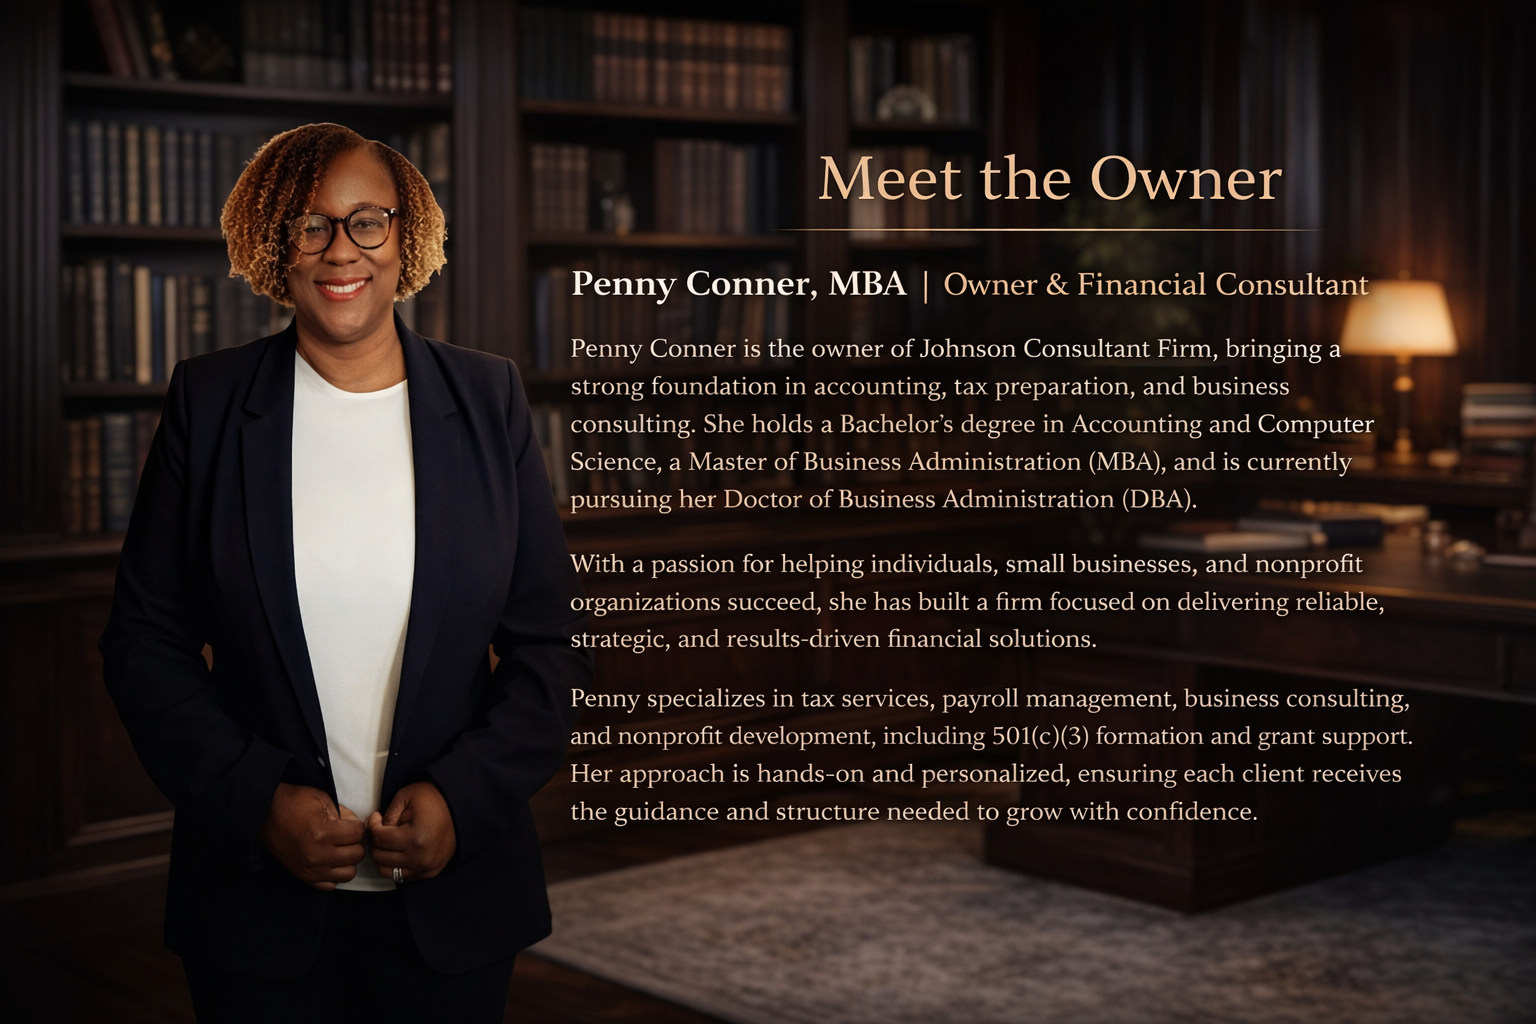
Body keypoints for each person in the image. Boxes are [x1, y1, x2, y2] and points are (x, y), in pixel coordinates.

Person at [99, 122, 590, 1022]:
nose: (339, 250)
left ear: (408, 238)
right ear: (269, 241)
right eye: (308, 224)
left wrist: (458, 797)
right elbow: (144, 644)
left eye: (368, 222)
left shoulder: (488, 399)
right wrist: (259, 802)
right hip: (255, 905)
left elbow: (548, 648)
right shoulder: (208, 404)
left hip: (456, 901)